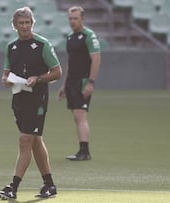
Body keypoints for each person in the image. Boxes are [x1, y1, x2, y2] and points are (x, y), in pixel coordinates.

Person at [0, 6, 62, 200]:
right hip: (19, 98)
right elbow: (5, 75)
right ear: (15, 26)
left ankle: (13, 186)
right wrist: (6, 81)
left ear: (32, 24)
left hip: (38, 98)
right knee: (35, 141)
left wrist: (38, 78)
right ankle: (49, 185)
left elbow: (57, 73)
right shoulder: (11, 47)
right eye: (21, 23)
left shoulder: (42, 44)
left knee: (25, 140)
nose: (25, 26)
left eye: (28, 22)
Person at [58, 6, 101, 161]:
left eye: (76, 18)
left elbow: (96, 59)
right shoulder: (70, 37)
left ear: (83, 19)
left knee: (80, 115)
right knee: (76, 117)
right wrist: (64, 84)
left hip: (83, 81)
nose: (73, 21)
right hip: (72, 81)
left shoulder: (89, 36)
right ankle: (82, 150)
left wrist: (91, 82)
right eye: (70, 18)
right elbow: (70, 62)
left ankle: (85, 151)